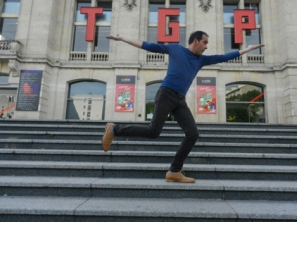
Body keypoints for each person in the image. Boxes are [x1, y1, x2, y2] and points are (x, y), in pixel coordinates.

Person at [102, 31, 265, 183]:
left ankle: (174, 171)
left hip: (180, 100)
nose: (206, 46)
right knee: (153, 132)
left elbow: (223, 57)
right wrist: (123, 39)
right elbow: (148, 45)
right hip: (166, 94)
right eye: (205, 42)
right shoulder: (175, 49)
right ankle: (114, 130)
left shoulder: (201, 60)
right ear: (195, 41)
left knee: (192, 134)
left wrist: (247, 49)